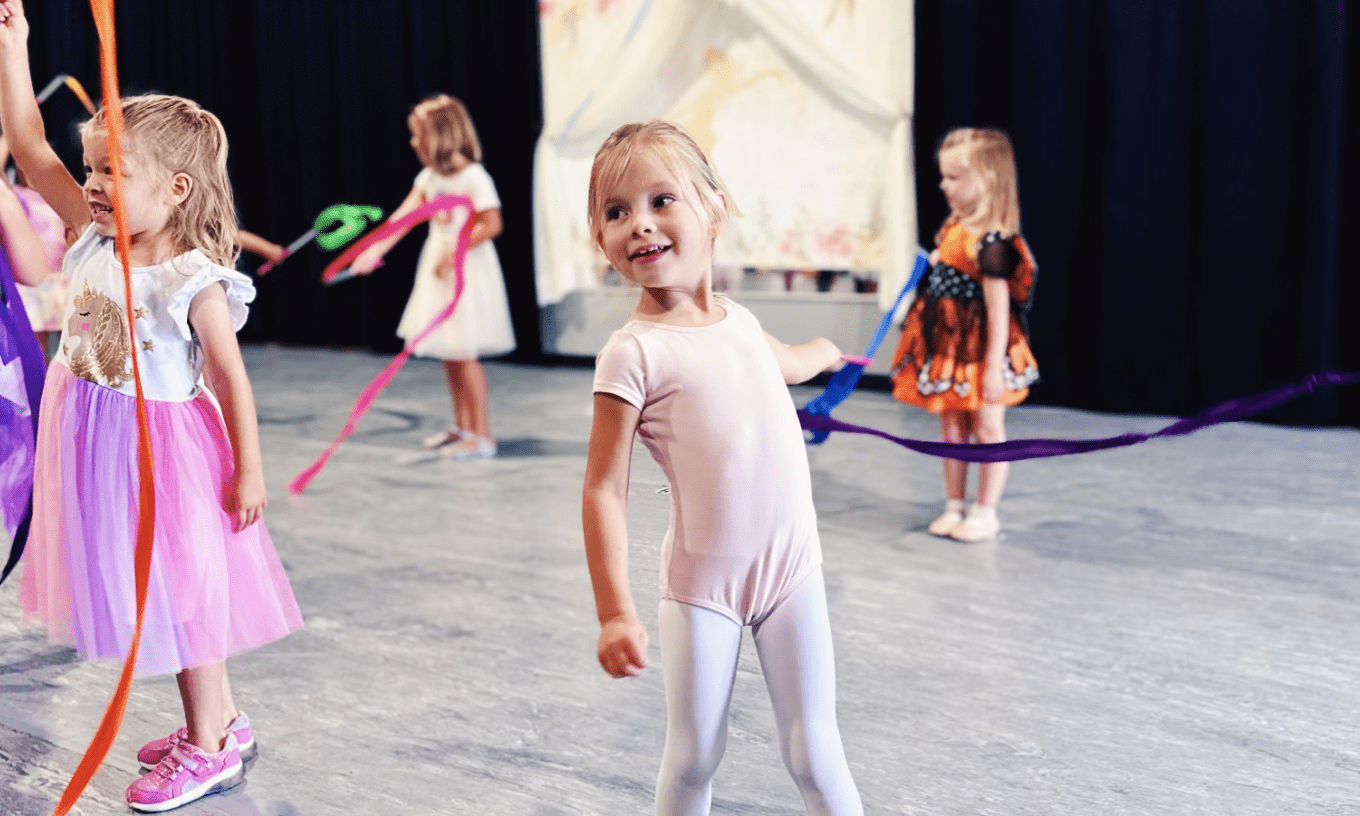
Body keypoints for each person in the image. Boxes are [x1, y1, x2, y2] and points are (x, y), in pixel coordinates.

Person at [0, 2, 303, 810]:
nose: (92, 185)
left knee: (182, 594)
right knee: (153, 595)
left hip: (160, 449)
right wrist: (16, 47)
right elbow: (29, 148)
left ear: (173, 188)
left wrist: (249, 472)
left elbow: (233, 380)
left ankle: (212, 746)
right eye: (91, 168)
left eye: (111, 172)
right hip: (99, 436)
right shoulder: (93, 239)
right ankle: (221, 721)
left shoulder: (190, 278)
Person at [582, 120, 864, 816]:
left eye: (660, 200)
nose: (639, 224)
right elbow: (602, 490)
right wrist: (615, 612)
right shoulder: (632, 354)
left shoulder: (738, 321)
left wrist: (830, 350)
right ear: (600, 241)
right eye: (616, 212)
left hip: (792, 569)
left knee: (815, 749)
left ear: (714, 208)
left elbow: (787, 363)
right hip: (705, 586)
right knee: (695, 755)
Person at [889, 127, 1039, 542]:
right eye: (944, 176)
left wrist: (993, 369)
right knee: (952, 429)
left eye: (954, 177)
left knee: (988, 428)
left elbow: (998, 309)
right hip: (950, 349)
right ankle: (954, 504)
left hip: (980, 352)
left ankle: (985, 511)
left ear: (987, 179)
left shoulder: (993, 244)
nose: (943, 185)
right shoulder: (955, 227)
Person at [350, 93, 515, 459]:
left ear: (440, 135)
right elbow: (402, 219)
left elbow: (492, 224)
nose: (413, 142)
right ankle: (462, 427)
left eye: (418, 133)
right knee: (448, 351)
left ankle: (482, 435)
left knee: (464, 351)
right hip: (437, 269)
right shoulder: (428, 178)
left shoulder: (474, 177)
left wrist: (457, 250)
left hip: (465, 272)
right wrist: (374, 249)